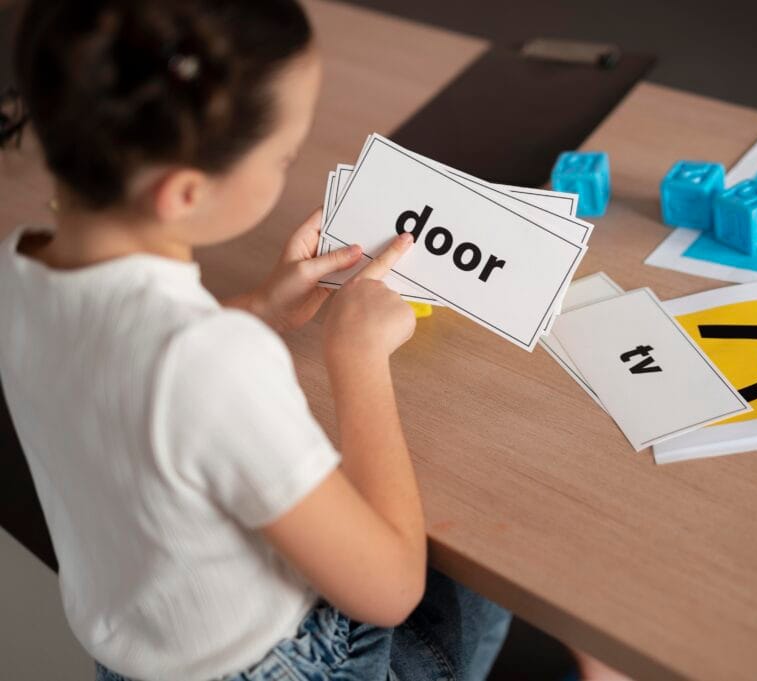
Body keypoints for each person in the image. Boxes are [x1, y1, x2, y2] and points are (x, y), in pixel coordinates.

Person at [0, 1, 510, 679]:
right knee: (494, 543)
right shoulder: (212, 364)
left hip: (141, 654)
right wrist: (355, 357)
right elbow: (390, 591)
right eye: (283, 157)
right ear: (184, 193)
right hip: (296, 663)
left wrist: (258, 307)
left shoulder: (20, 263)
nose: (286, 169)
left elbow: (129, 362)